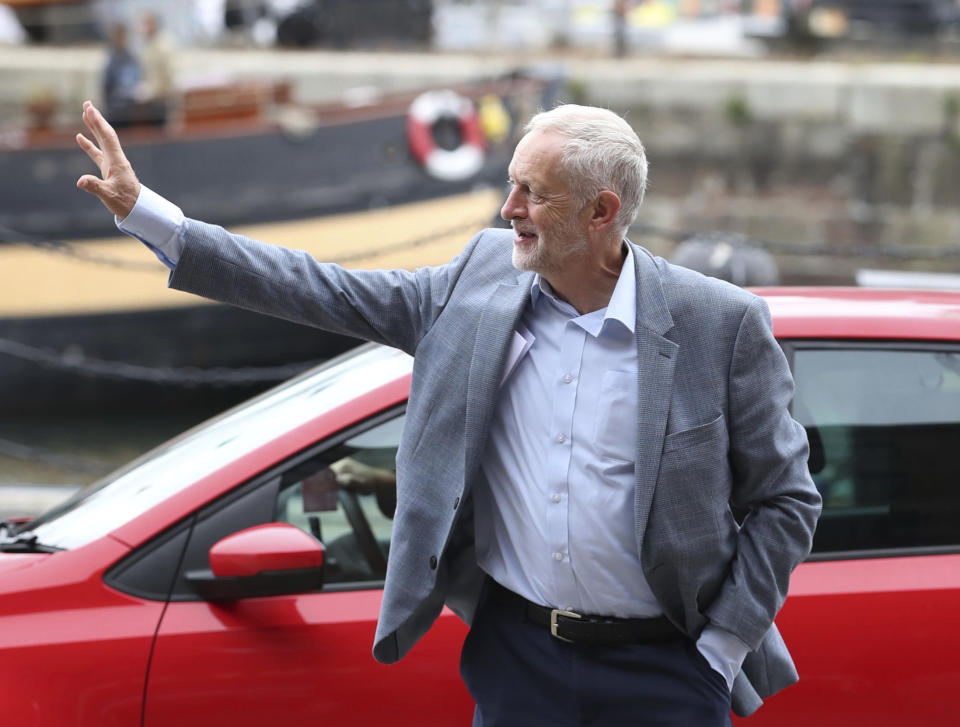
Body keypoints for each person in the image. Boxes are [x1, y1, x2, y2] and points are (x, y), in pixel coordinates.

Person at [75, 99, 821, 725]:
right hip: (520, 662)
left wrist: (720, 651)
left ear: (602, 212)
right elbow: (318, 289)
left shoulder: (719, 324)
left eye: (533, 192)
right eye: (510, 185)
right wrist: (151, 217)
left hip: (666, 672)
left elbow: (786, 499)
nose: (509, 209)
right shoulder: (476, 278)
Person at [138, 12, 175, 126]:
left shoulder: (164, 44)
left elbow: (169, 74)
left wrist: (157, 90)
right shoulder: (147, 46)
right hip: (152, 100)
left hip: (163, 100)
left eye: (147, 24)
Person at [101, 24, 140, 128]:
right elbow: (106, 88)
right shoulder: (111, 61)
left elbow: (137, 82)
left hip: (132, 109)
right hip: (115, 110)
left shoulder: (131, 58)